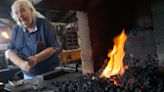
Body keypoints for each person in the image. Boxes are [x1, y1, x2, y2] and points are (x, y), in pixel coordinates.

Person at [7, 0, 60, 79]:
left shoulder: (45, 25)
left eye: (22, 10)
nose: (20, 16)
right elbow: (10, 51)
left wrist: (37, 58)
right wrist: (21, 63)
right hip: (28, 76)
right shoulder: (16, 29)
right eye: (16, 13)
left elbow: (53, 47)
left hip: (50, 73)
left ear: (31, 10)